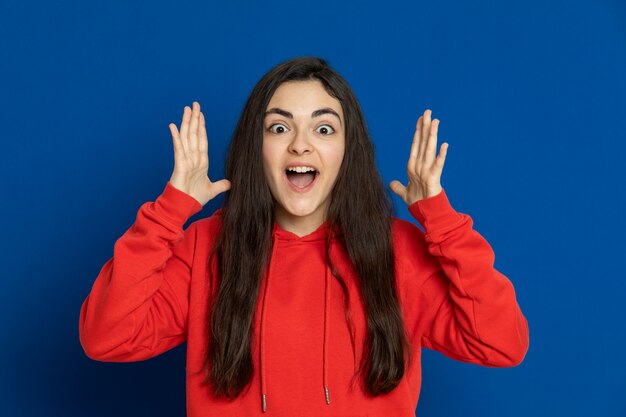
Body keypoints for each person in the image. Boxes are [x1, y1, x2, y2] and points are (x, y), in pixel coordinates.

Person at [79, 56, 529, 417]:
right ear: (257, 149)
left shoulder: (399, 251)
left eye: (324, 127)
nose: (300, 145)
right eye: (279, 127)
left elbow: (501, 343)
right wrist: (170, 211)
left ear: (346, 150)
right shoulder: (203, 248)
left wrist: (440, 220)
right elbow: (106, 336)